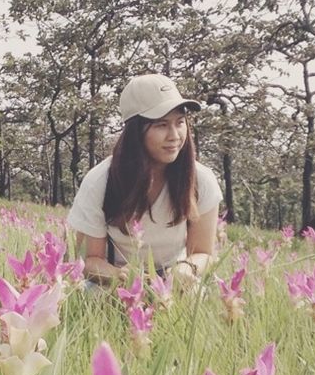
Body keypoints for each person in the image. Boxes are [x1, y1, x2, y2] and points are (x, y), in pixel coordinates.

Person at [66, 73, 221, 283]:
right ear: (135, 131)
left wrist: (186, 268)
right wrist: (121, 277)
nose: (175, 135)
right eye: (161, 125)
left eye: (180, 122)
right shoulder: (100, 181)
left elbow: (204, 253)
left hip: (176, 280)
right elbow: (89, 259)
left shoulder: (201, 180)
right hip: (115, 280)